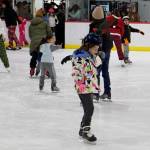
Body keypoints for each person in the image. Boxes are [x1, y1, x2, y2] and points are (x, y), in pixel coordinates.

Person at [71, 33, 102, 143]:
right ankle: (85, 130)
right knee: (90, 109)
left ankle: (82, 129)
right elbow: (76, 71)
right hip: (83, 87)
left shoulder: (90, 55)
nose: (97, 49)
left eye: (98, 47)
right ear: (89, 46)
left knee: (88, 109)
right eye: (95, 47)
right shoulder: (80, 57)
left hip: (88, 86)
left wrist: (98, 57)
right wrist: (80, 82)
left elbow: (95, 65)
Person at [90, 5, 113, 101]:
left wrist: (97, 51)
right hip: (104, 49)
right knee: (104, 72)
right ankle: (107, 93)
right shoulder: (104, 23)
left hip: (102, 51)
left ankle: (96, 93)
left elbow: (96, 39)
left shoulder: (100, 25)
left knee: (97, 72)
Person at [29, 8, 53, 77]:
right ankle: (46, 70)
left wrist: (34, 39)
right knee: (45, 56)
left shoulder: (31, 23)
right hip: (43, 42)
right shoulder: (44, 23)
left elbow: (30, 34)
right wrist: (47, 37)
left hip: (34, 43)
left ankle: (32, 69)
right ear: (42, 15)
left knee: (34, 56)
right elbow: (50, 33)